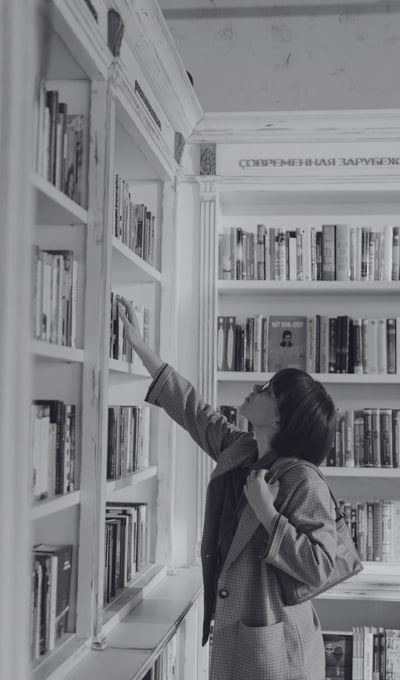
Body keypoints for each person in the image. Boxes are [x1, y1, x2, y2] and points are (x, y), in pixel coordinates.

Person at [117, 296, 337, 680]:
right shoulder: (241, 449)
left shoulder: (303, 480)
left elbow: (320, 569)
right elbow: (192, 409)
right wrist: (138, 344)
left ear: (284, 421)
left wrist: (270, 516)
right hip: (241, 636)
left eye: (270, 390)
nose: (257, 387)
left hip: (279, 651)